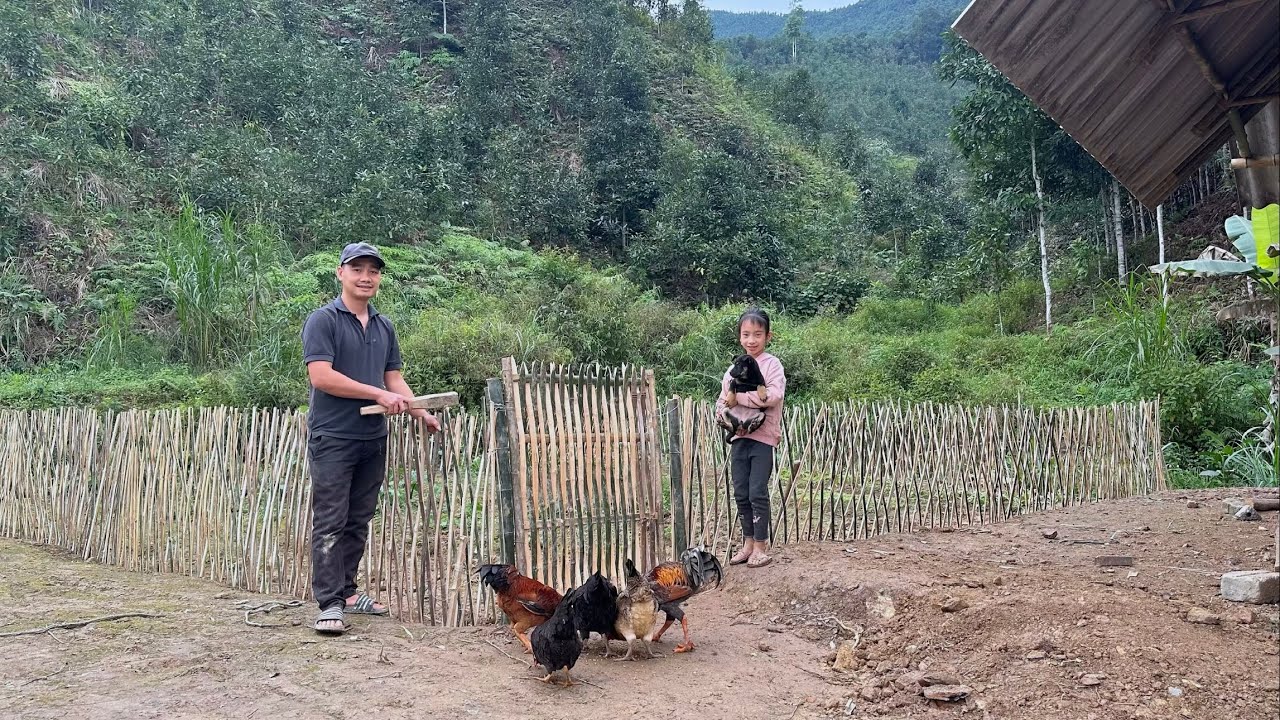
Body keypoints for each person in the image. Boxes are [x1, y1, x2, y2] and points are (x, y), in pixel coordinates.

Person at [301, 241, 440, 635]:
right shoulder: (323, 320)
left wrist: (419, 412)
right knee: (330, 520)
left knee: (358, 519)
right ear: (340, 272)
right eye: (357, 268)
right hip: (333, 436)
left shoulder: (383, 326)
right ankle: (328, 604)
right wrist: (376, 393)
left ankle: (347, 593)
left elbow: (393, 378)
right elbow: (321, 377)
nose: (366, 277)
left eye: (373, 271)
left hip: (372, 437)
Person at [719, 308, 786, 569]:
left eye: (757, 334)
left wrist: (739, 399)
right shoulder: (733, 368)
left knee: (757, 491)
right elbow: (722, 399)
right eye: (746, 334)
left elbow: (771, 397)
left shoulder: (772, 365)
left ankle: (761, 546)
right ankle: (747, 544)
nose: (751, 340)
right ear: (739, 337)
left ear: (768, 336)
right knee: (741, 492)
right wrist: (723, 413)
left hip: (763, 438)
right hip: (738, 437)